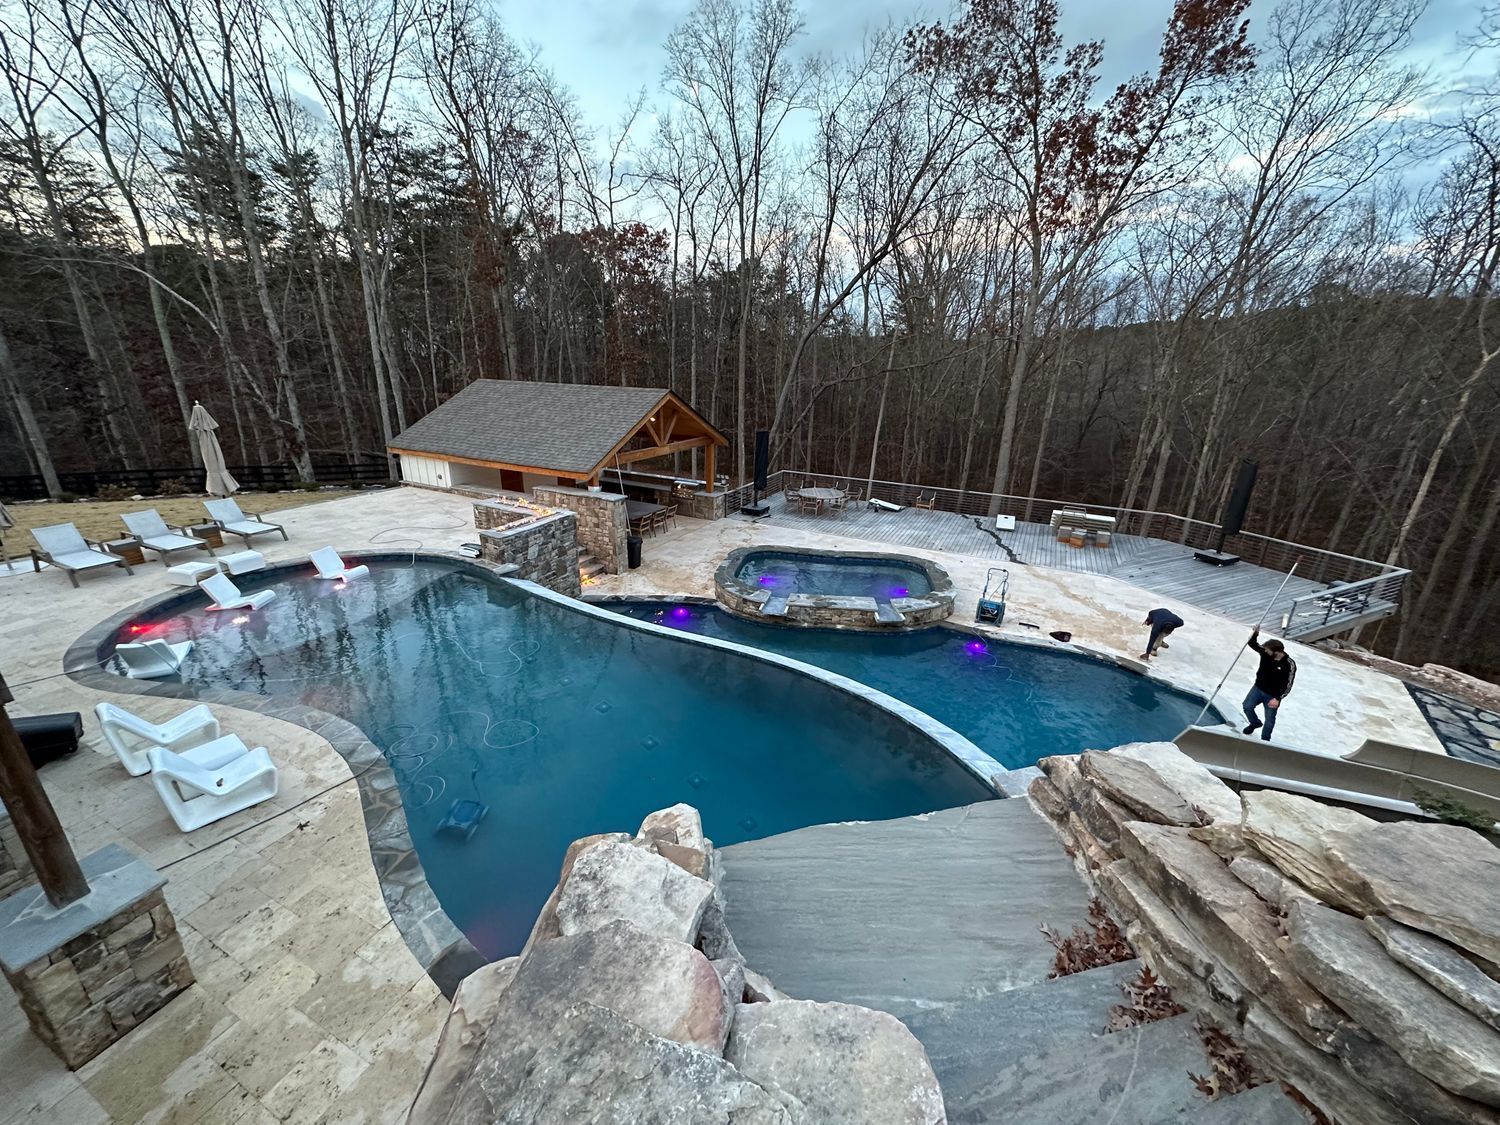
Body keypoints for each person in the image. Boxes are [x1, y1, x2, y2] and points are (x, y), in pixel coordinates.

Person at [1242, 627, 1296, 740]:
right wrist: (1255, 633)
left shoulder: (1289, 664)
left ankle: (1265, 740)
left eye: (1268, 650)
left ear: (1277, 652)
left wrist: (1278, 698)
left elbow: (1288, 684)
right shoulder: (1266, 653)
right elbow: (1252, 643)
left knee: (1270, 719)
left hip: (1273, 696)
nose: (1265, 651)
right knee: (1247, 706)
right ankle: (1255, 722)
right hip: (1258, 688)